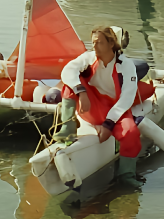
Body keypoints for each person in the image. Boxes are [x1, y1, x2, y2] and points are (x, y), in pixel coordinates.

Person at [55, 25, 143, 188]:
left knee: (130, 133)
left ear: (111, 44)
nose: (94, 46)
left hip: (117, 109)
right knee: (70, 85)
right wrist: (81, 91)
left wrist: (109, 124)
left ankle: (126, 175)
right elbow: (68, 70)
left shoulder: (127, 65)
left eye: (99, 43)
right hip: (94, 105)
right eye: (93, 42)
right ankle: (66, 130)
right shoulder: (88, 58)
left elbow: (127, 96)